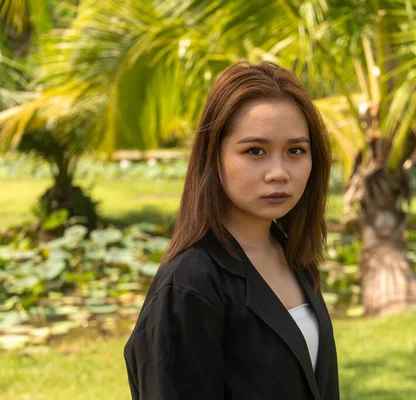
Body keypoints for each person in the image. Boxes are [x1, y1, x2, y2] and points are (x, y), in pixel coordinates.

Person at [124, 61, 339, 400]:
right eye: (255, 151)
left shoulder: (291, 254)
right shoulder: (189, 285)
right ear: (214, 156)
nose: (279, 172)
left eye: (295, 150)